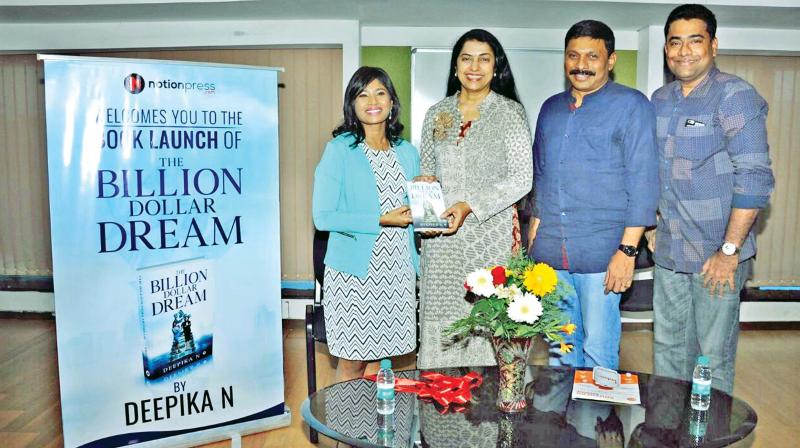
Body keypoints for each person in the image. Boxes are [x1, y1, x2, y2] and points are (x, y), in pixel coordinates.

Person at [650, 4, 774, 394]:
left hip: (716, 256)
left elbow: (754, 178)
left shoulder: (735, 96)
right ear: (666, 49)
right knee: (668, 352)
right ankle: (667, 431)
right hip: (670, 251)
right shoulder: (659, 99)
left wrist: (729, 250)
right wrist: (653, 224)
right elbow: (652, 170)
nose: (684, 51)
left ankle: (709, 436)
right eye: (675, 42)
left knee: (711, 360)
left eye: (695, 41)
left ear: (714, 46)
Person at [527, 20, 658, 369]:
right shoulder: (551, 108)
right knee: (560, 350)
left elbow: (643, 181)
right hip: (552, 250)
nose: (580, 64)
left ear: (610, 60)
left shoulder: (632, 105)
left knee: (598, 351)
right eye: (572, 55)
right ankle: (562, 422)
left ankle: (594, 422)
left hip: (603, 252)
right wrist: (535, 231)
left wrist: (627, 251)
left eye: (591, 56)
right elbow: (541, 173)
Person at [416, 29, 533, 369]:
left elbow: (522, 179)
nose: (474, 67)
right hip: (442, 243)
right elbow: (427, 172)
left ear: (496, 68)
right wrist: (426, 203)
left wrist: (470, 206)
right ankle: (439, 415)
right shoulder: (436, 114)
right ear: (455, 67)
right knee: (442, 321)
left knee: (486, 322)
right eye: (466, 58)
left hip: (490, 237)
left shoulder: (510, 113)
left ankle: (485, 417)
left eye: (484, 59)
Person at [312, 66, 420, 382]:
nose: (372, 101)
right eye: (363, 94)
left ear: (391, 102)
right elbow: (323, 216)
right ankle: (346, 430)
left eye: (380, 92)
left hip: (397, 271)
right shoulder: (339, 150)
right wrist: (380, 219)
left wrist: (427, 194)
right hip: (354, 274)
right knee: (353, 362)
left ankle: (375, 430)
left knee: (381, 362)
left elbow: (415, 210)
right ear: (353, 104)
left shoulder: (408, 152)